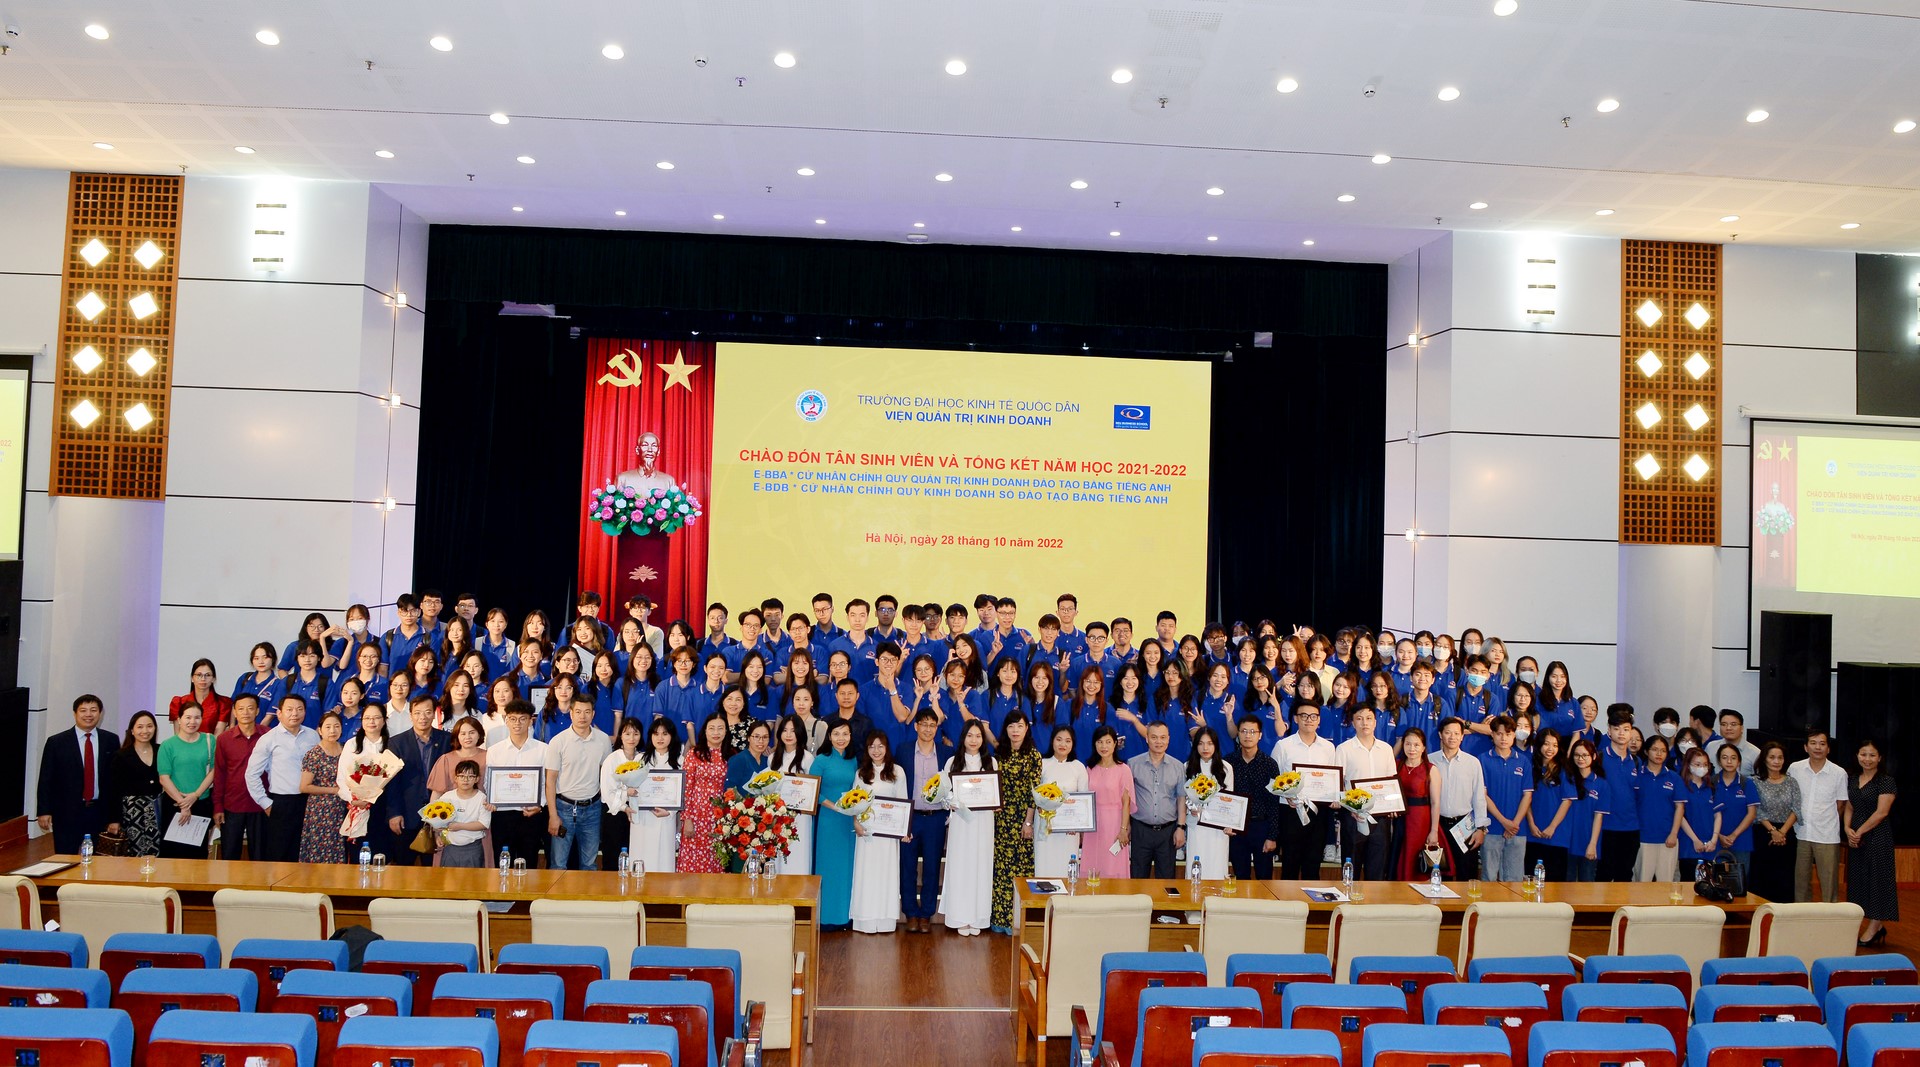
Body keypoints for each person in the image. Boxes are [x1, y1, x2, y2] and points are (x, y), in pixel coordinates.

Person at [36, 694, 120, 853]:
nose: (88, 714)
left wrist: (115, 817)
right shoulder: (57, 742)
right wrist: (43, 811)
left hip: (99, 811)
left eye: (93, 710)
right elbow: (46, 779)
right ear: (75, 713)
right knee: (65, 857)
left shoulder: (110, 740)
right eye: (83, 710)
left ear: (100, 713)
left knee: (98, 859)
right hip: (67, 812)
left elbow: (115, 782)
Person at [245, 694, 320, 863]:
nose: (295, 713)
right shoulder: (269, 739)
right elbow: (252, 774)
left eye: (299, 709)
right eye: (289, 709)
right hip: (281, 803)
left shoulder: (313, 736)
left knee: (305, 853)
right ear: (279, 713)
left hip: (309, 801)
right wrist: (265, 803)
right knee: (279, 855)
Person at [942, 720, 997, 936]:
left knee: (981, 865)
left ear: (983, 739)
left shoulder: (991, 762)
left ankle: (978, 917)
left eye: (978, 736)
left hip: (984, 821)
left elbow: (995, 792)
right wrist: (951, 802)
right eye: (970, 735)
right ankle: (960, 916)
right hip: (961, 822)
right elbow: (945, 795)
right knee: (961, 865)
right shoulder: (952, 762)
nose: (974, 740)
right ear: (963, 737)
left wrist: (995, 801)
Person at [849, 730, 907, 934]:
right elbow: (854, 802)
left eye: (880, 746)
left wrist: (903, 830)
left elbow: (902, 802)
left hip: (888, 835)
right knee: (867, 874)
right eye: (872, 746)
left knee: (886, 874)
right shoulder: (861, 773)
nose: (876, 750)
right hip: (867, 833)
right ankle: (865, 919)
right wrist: (856, 823)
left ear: (887, 748)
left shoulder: (897, 772)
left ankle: (885, 921)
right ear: (866, 749)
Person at [545, 695, 612, 870]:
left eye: (587, 712)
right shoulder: (558, 741)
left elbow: (607, 774)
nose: (583, 716)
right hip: (564, 809)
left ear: (593, 714)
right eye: (578, 712)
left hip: (592, 809)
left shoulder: (603, 740)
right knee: (558, 864)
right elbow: (550, 781)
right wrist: (553, 815)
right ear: (571, 713)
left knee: (589, 864)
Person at [1273, 702, 1338, 878]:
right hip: (1291, 811)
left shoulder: (1328, 748)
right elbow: (1273, 779)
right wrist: (1285, 794)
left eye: (1313, 716)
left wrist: (1334, 796)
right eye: (1304, 716)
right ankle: (1288, 897)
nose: (1309, 720)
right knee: (1290, 865)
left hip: (1318, 811)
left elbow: (1333, 779)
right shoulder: (1283, 746)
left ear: (1319, 720)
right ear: (1296, 719)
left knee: (1313, 865)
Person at [992, 712, 1043, 932]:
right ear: (1006, 729)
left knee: (1021, 869)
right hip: (1001, 818)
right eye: (1011, 726)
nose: (1015, 730)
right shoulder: (998, 754)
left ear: (1026, 729)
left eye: (1020, 726)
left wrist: (1028, 822)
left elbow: (1034, 792)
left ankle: (1018, 921)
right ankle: (999, 920)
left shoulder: (1033, 755)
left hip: (1023, 818)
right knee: (1001, 869)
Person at [1845, 738, 1897, 945]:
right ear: (1857, 756)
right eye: (1863, 754)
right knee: (1859, 880)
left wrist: (1859, 831)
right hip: (1856, 837)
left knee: (1877, 880)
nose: (1867, 759)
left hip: (1878, 836)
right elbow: (1849, 806)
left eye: (1872, 755)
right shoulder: (1852, 779)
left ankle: (1875, 926)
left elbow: (1881, 812)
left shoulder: (1886, 781)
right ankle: (1872, 924)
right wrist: (1847, 829)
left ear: (1880, 758)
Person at [388, 695, 452, 866]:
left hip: (439, 813)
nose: (422, 717)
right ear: (410, 716)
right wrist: (394, 813)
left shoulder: (447, 740)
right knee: (403, 869)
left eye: (427, 712)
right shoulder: (396, 743)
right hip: (406, 815)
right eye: (417, 713)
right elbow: (392, 783)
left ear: (434, 714)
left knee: (434, 868)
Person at [900, 708, 947, 932]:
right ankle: (910, 912)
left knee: (932, 867)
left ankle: (926, 913)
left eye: (932, 725)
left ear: (937, 728)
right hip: (911, 817)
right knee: (907, 866)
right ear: (916, 726)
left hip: (935, 819)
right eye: (924, 724)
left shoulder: (946, 753)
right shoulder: (903, 751)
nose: (928, 729)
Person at [486, 700, 549, 868]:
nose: (517, 723)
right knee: (502, 864)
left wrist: (540, 805)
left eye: (522, 719)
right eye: (513, 719)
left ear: (530, 721)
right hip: (502, 815)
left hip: (531, 814)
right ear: (506, 721)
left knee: (529, 863)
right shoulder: (494, 751)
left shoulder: (543, 750)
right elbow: (488, 781)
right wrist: (491, 800)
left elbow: (548, 783)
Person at [1337, 706, 1397, 879]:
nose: (1365, 723)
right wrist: (1351, 808)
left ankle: (1375, 898)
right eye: (1359, 718)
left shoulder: (1386, 749)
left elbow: (1391, 782)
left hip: (1380, 817)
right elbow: (1338, 785)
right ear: (1353, 723)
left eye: (1369, 718)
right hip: (1353, 816)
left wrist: (1393, 805)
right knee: (1351, 868)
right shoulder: (1343, 749)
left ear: (1375, 722)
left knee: (1377, 868)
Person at [1789, 730, 1848, 902]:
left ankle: (1829, 915)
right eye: (1813, 743)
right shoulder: (1795, 768)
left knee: (1829, 883)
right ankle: (1802, 915)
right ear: (1805, 747)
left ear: (1828, 748)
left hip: (1826, 835)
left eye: (1822, 744)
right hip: (1800, 833)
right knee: (1800, 882)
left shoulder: (1839, 773)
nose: (1818, 747)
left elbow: (1840, 805)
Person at [814, 720, 861, 931]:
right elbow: (812, 789)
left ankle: (844, 917)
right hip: (828, 820)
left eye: (845, 734)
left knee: (846, 868)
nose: (841, 738)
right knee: (828, 867)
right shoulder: (821, 760)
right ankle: (825, 919)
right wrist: (834, 806)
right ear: (829, 736)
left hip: (847, 820)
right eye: (836, 734)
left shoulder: (853, 760)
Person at [156, 703, 216, 858]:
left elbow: (214, 771)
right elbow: (164, 778)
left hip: (201, 802)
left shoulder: (210, 740)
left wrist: (195, 795)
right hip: (174, 803)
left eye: (197, 717)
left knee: (197, 853)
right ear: (179, 719)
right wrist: (183, 803)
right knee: (172, 852)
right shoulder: (168, 745)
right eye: (188, 717)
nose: (192, 722)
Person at [212, 694, 268, 859]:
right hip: (232, 805)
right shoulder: (224, 739)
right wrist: (218, 806)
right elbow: (220, 774)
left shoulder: (268, 735)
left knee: (260, 856)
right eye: (241, 709)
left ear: (257, 711)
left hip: (261, 805)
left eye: (250, 708)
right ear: (234, 712)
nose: (246, 712)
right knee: (230, 855)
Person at [1225, 716, 1281, 880]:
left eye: (1252, 732)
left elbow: (1274, 803)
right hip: (1236, 828)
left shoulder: (1270, 764)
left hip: (1261, 826)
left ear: (1260, 735)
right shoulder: (1228, 762)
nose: (1247, 735)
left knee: (1264, 878)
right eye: (1243, 731)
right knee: (1240, 877)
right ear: (1238, 734)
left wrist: (1272, 836)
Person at [1432, 717, 1488, 880]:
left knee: (1467, 873)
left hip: (1465, 826)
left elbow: (1479, 798)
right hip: (1438, 825)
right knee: (1440, 874)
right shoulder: (1430, 760)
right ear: (1440, 734)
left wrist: (1481, 829)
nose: (1452, 737)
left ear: (1462, 736)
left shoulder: (1473, 763)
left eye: (1457, 733)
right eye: (1448, 733)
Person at [1033, 724, 1088, 878]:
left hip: (1069, 830)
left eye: (1067, 741)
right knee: (1044, 865)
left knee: (1065, 867)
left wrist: (1078, 826)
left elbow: (1083, 800)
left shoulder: (1078, 767)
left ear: (1073, 744)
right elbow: (1034, 794)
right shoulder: (1042, 764)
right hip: (1045, 826)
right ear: (1052, 741)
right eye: (1059, 739)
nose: (1063, 744)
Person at [1749, 739, 1801, 903]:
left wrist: (1782, 832)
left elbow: (1796, 808)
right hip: (1762, 833)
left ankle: (1783, 915)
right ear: (1764, 759)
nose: (1776, 761)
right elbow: (1756, 809)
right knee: (1761, 878)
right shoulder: (1754, 781)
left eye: (1780, 758)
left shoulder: (1792, 782)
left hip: (1786, 835)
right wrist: (1772, 831)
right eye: (1772, 757)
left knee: (1784, 879)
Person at [679, 712, 731, 874]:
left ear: (726, 731)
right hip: (696, 816)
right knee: (693, 861)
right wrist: (687, 818)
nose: (716, 732)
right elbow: (686, 788)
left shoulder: (731, 755)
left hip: (720, 817)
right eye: (712, 728)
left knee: (716, 859)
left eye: (720, 728)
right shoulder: (694, 754)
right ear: (705, 731)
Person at [1597, 705, 1644, 882]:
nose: (1621, 733)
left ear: (1631, 732)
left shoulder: (1637, 762)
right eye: (1616, 729)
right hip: (1606, 827)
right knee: (1603, 876)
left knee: (1625, 877)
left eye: (1626, 729)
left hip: (1631, 828)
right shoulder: (1599, 758)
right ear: (1609, 731)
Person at [1082, 726, 1134, 879]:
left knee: (1112, 866)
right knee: (1092, 864)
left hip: (1114, 824)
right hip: (1092, 824)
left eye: (1108, 742)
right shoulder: (1089, 769)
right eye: (1099, 742)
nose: (1103, 746)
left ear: (1115, 744)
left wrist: (1124, 829)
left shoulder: (1123, 769)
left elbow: (1126, 803)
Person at [108, 711, 161, 857]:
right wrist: (114, 819)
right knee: (134, 855)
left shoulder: (161, 750)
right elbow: (113, 790)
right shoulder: (121, 755)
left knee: (158, 853)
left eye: (149, 726)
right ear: (132, 730)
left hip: (157, 810)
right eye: (140, 727)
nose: (145, 731)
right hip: (132, 813)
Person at [1632, 734, 1684, 882]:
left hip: (1667, 838)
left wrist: (1673, 833)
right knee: (1641, 883)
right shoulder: (1637, 775)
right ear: (1646, 751)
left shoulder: (1674, 778)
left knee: (1666, 884)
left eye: (1663, 750)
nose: (1659, 754)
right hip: (1642, 837)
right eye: (1655, 749)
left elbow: (1680, 807)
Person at [297, 711, 347, 864]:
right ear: (320, 730)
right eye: (328, 727)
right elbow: (304, 787)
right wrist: (333, 790)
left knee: (341, 848)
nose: (332, 731)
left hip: (343, 808)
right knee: (321, 851)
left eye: (336, 726)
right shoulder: (314, 754)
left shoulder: (347, 750)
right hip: (321, 811)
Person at [769, 715, 816, 877]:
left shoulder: (807, 758)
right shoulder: (772, 758)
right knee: (778, 856)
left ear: (800, 733)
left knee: (798, 854)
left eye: (793, 731)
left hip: (800, 816)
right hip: (777, 816)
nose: (788, 735)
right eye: (785, 730)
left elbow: (811, 788)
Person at [1183, 726, 1233, 879]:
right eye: (1201, 743)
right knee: (1196, 865)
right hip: (1196, 826)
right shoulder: (1187, 767)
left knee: (1217, 866)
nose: (1205, 748)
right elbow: (1184, 797)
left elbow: (1230, 800)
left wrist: (1229, 823)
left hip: (1218, 828)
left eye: (1210, 743)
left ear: (1216, 745)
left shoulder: (1226, 768)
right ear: (1195, 745)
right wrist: (1191, 807)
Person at [1394, 726, 1441, 880]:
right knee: (1397, 857)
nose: (1412, 748)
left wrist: (1434, 830)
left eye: (1416, 745)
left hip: (1420, 820)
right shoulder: (1396, 765)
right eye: (1408, 744)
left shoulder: (1431, 769)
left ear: (1423, 747)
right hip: (1398, 819)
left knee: (1415, 860)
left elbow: (1435, 802)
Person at [1524, 730, 1569, 882]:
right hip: (1533, 834)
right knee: (1531, 881)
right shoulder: (1530, 767)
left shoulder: (1564, 770)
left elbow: (1567, 801)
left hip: (1557, 836)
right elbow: (1526, 799)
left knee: (1556, 884)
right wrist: (1531, 824)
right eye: (1546, 744)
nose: (1550, 749)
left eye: (1555, 745)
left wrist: (1552, 827)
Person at [1560, 739, 1607, 882]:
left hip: (1587, 842)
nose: (1580, 759)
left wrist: (1593, 844)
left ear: (1593, 756)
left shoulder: (1601, 784)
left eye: (1585, 755)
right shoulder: (1567, 779)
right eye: (1577, 755)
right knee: (1565, 887)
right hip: (1565, 842)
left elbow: (1598, 817)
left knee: (1586, 887)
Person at [1714, 740, 1760, 881]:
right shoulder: (1711, 782)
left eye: (1733, 758)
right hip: (1716, 841)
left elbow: (1752, 814)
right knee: (1717, 882)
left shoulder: (1747, 783)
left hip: (1741, 841)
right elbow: (1707, 814)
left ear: (1739, 761)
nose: (1729, 761)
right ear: (1719, 761)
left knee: (1739, 883)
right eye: (1725, 757)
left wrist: (1733, 836)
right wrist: (1719, 836)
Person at [1675, 746, 1723, 879]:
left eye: (1705, 764)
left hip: (1711, 846)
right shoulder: (1681, 786)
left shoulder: (1711, 788)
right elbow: (1680, 816)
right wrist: (1695, 840)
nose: (1702, 767)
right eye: (1697, 764)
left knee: (1710, 884)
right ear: (1688, 765)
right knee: (1689, 884)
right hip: (1689, 845)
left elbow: (1718, 815)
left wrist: (1714, 840)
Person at [435, 760, 493, 868]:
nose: (465, 780)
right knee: (448, 878)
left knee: (472, 878)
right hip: (450, 848)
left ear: (477, 779)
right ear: (455, 778)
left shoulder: (482, 798)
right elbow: (438, 821)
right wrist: (438, 836)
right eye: (461, 776)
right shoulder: (447, 797)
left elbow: (484, 824)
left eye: (470, 776)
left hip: (473, 848)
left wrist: (460, 826)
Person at [169, 659, 233, 733]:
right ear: (192, 678)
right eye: (199, 675)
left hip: (211, 740)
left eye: (207, 675)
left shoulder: (223, 703)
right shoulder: (179, 702)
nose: (203, 679)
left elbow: (217, 735)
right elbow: (178, 734)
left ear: (213, 679)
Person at [724, 719, 773, 794]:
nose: (761, 741)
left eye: (765, 737)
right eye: (756, 736)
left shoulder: (767, 761)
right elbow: (729, 790)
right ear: (749, 738)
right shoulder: (738, 760)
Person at [1708, 709, 1760, 776]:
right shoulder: (1711, 747)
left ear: (1742, 728)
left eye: (1733, 724)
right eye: (1724, 724)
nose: (1728, 728)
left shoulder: (1755, 753)